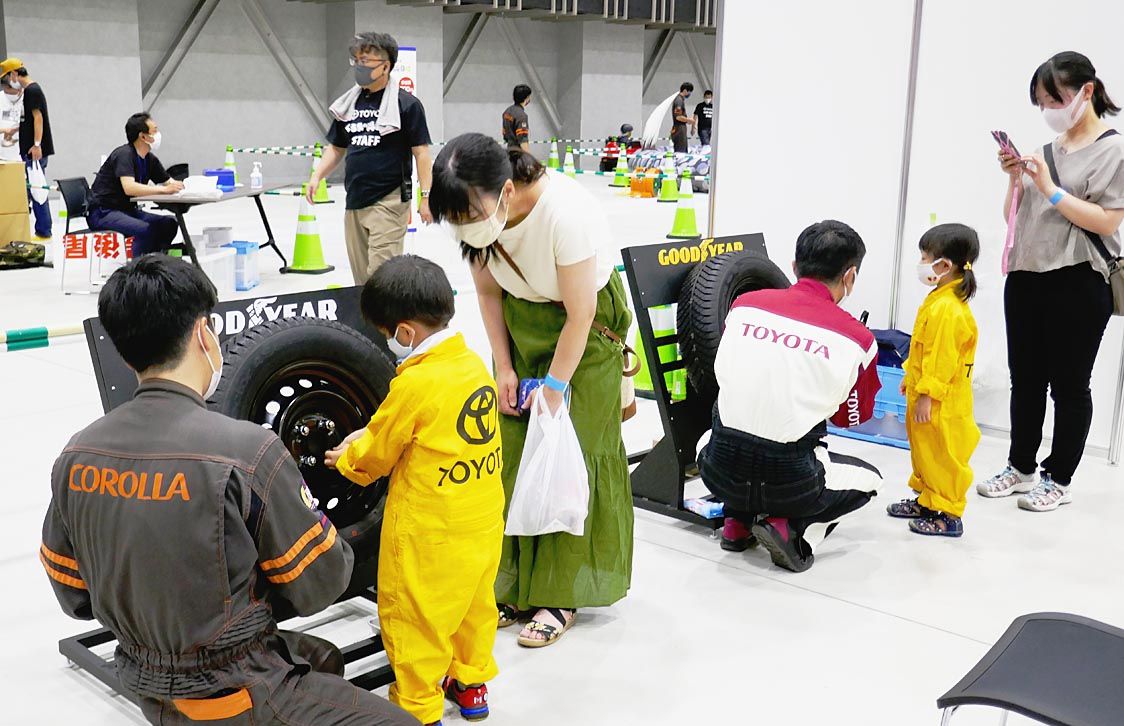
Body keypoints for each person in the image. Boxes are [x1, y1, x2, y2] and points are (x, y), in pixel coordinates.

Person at [40, 255, 415, 726]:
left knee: (320, 657)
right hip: (235, 690)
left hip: (143, 680)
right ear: (204, 334)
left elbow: (73, 594)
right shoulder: (248, 452)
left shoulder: (77, 454)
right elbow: (319, 584)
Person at [427, 133, 632, 648]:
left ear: (506, 190)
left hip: (584, 332)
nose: (466, 228)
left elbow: (581, 314)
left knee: (572, 455)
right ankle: (515, 587)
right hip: (523, 326)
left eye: (471, 215)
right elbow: (488, 294)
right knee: (516, 453)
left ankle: (561, 596)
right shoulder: (479, 223)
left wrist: (556, 387)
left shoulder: (565, 215)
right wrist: (503, 366)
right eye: (456, 220)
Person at [325, 255, 504, 726]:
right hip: (482, 521)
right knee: (473, 607)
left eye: (387, 333)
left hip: (430, 533)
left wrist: (346, 457)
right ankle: (471, 686)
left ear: (404, 333)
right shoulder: (473, 366)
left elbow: (376, 455)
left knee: (416, 619)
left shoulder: (416, 382)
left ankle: (419, 710)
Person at [981, 51, 1124, 511]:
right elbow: (1013, 219)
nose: (1048, 110)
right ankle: (1020, 467)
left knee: (1069, 385)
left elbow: (1107, 221)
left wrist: (1049, 188)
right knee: (1024, 380)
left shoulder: (1113, 150)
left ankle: (1058, 478)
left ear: (1087, 91)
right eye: (1041, 102)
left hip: (1079, 278)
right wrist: (1014, 181)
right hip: (1026, 275)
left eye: (1054, 99)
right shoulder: (1046, 152)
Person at [698, 221, 882, 573]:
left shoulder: (743, 305)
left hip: (717, 469)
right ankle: (792, 528)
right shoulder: (857, 339)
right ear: (850, 276)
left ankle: (737, 521)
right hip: (793, 482)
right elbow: (851, 418)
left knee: (718, 435)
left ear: (794, 266)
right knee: (872, 481)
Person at [310, 32, 434, 285]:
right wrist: (317, 176)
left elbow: (421, 153)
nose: (359, 66)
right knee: (361, 281)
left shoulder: (406, 105)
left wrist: (426, 197)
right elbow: (336, 147)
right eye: (356, 60)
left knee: (381, 278)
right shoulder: (349, 105)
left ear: (386, 66)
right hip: (355, 200)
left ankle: (387, 312)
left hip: (389, 200)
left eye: (365, 61)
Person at [887, 224, 980, 537]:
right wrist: (912, 377)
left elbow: (942, 358)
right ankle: (927, 500)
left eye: (925, 258)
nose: (921, 263)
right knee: (925, 451)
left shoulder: (948, 310)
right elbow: (922, 348)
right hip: (926, 393)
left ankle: (949, 515)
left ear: (945, 265)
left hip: (942, 403)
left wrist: (927, 394)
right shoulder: (939, 299)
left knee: (943, 455)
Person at [87, 112, 183, 256]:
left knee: (169, 224)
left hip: (127, 210)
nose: (158, 134)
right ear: (143, 136)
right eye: (154, 131)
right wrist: (164, 190)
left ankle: (157, 259)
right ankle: (138, 265)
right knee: (144, 229)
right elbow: (129, 188)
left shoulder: (149, 159)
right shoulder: (124, 155)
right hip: (103, 212)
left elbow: (169, 182)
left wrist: (185, 186)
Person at [1, 58, 52, 239]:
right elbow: (29, 121)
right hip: (26, 150)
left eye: (8, 78)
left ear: (14, 73)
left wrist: (37, 145)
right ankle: (40, 229)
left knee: (37, 189)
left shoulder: (31, 91)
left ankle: (44, 230)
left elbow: (38, 118)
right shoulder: (30, 91)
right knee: (32, 189)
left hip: (33, 151)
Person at [502, 84, 532, 152]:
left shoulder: (507, 112)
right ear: (526, 98)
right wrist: (530, 157)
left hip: (509, 151)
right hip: (518, 154)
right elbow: (523, 141)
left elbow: (505, 134)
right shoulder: (522, 116)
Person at [0, 69, 22, 162]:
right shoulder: (1, 98)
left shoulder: (28, 99)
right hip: (2, 154)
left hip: (21, 155)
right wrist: (5, 130)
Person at [671, 81, 695, 153]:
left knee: (682, 150)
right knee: (680, 153)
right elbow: (678, 117)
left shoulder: (680, 100)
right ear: (685, 90)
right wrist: (689, 120)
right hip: (679, 130)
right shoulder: (679, 101)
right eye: (689, 92)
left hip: (680, 129)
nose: (690, 94)